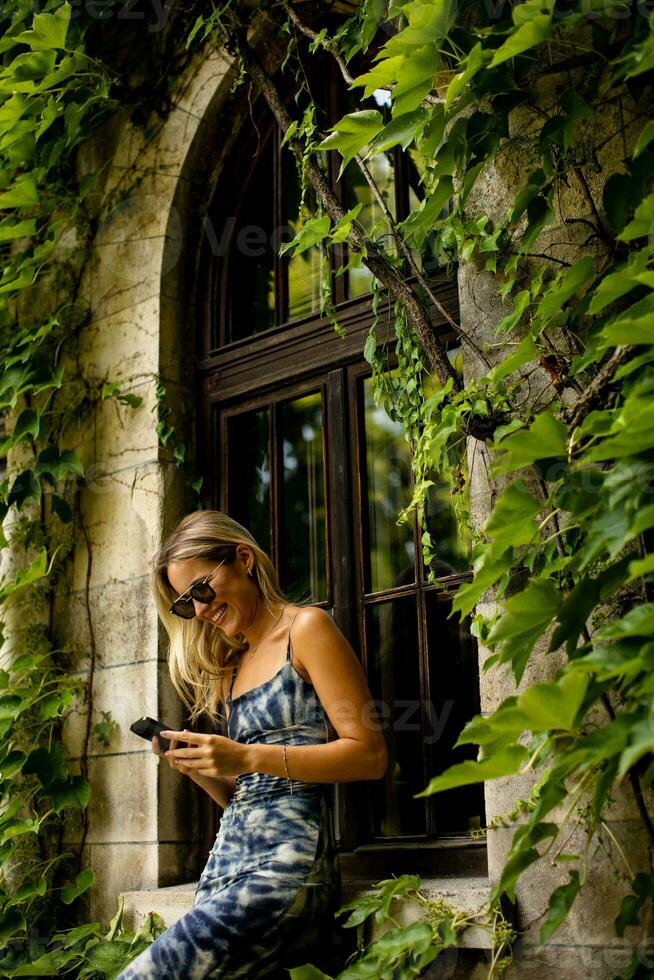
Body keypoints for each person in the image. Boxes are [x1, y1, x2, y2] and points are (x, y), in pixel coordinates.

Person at [118, 510, 388, 979]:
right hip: (225, 868)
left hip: (287, 868)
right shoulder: (233, 665)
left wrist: (243, 755)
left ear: (242, 558)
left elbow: (369, 754)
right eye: (186, 604)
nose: (200, 610)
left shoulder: (307, 629)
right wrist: (200, 767)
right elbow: (245, 794)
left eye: (200, 590)